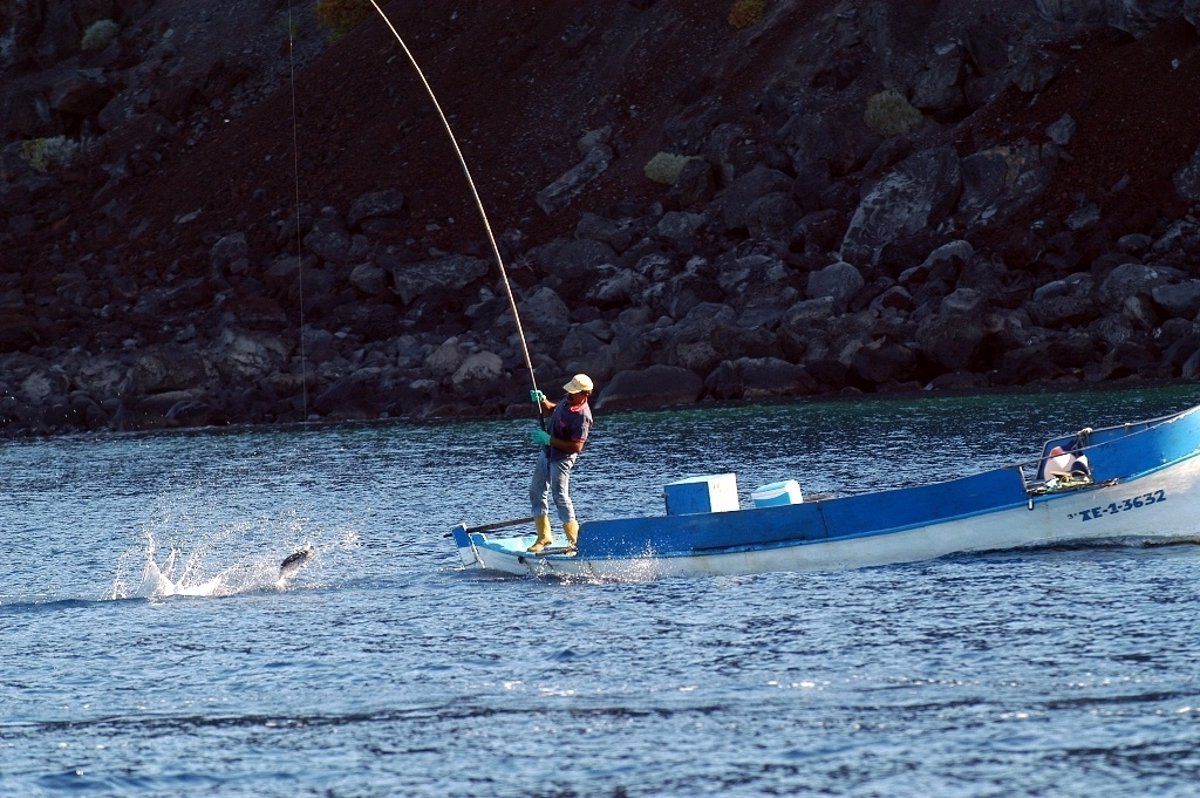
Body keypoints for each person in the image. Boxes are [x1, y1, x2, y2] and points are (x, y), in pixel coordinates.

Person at [527, 373, 594, 553]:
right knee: (536, 491)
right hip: (547, 453)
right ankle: (544, 537)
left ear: (584, 395)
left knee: (560, 496)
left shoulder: (582, 417)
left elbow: (577, 446)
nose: (569, 395)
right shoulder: (567, 401)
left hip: (562, 459)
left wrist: (549, 440)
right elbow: (554, 410)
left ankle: (575, 541)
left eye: (574, 393)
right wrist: (543, 401)